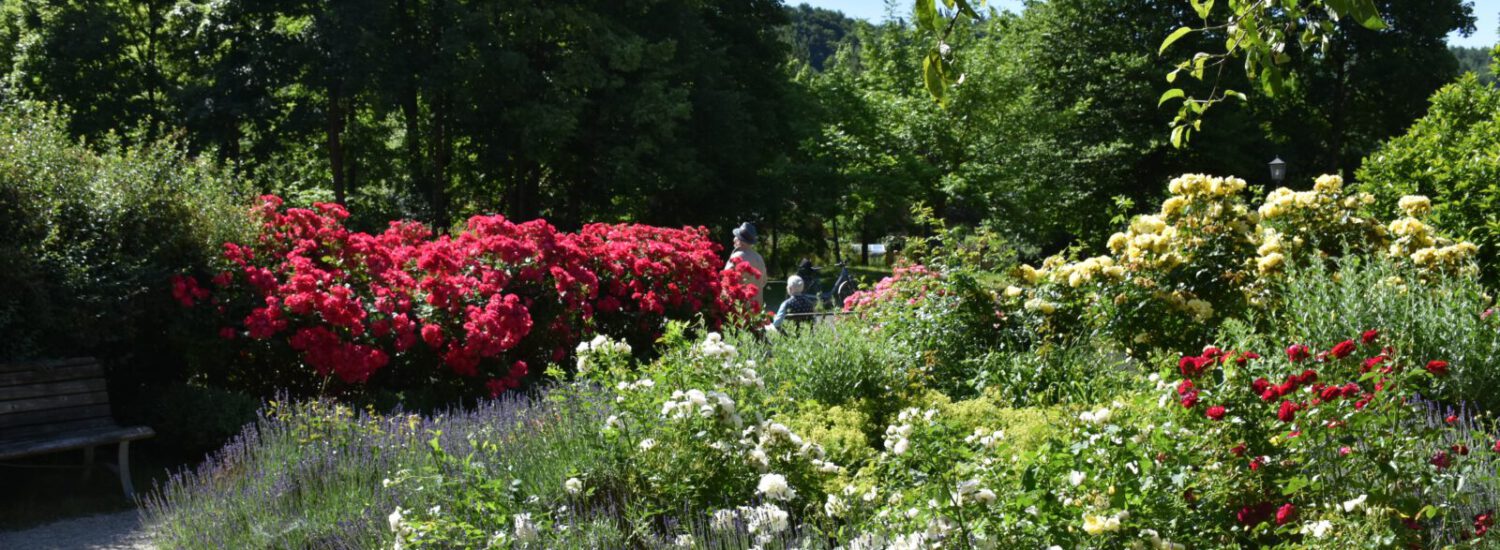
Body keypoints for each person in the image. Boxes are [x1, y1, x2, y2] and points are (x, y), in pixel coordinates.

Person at [725, 222, 767, 306]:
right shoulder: (759, 257)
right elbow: (764, 282)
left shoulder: (737, 256)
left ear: (739, 239)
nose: (733, 239)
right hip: (757, 306)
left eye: (735, 236)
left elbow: (725, 280)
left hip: (740, 307)